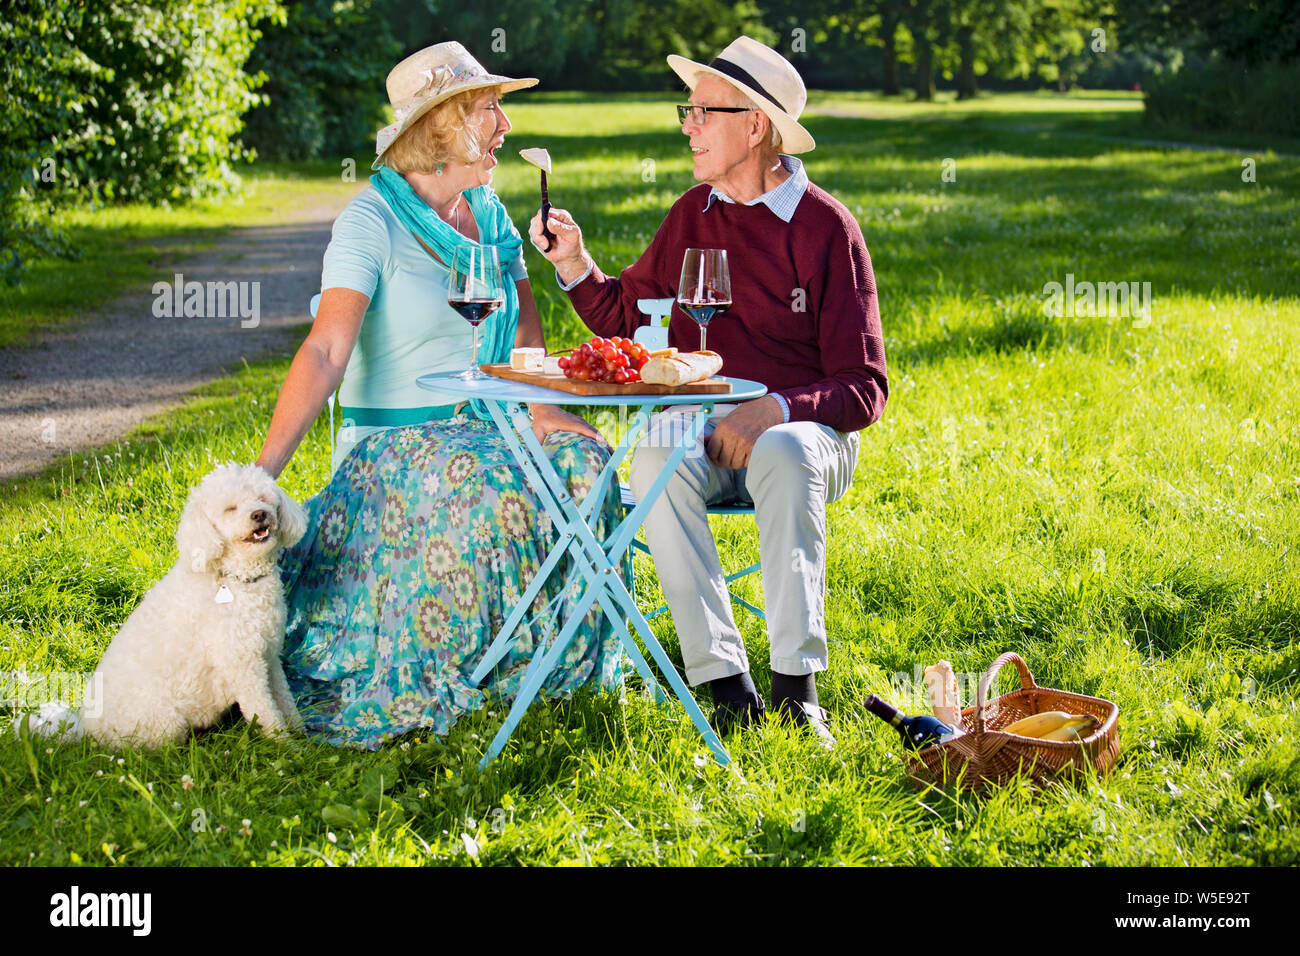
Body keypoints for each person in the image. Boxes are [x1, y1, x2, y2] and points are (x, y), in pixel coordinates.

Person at [253, 41, 624, 750]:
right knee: (492, 483)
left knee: (589, 461)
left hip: (493, 425)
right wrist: (261, 477)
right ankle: (466, 665)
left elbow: (524, 313)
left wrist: (543, 406)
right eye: (491, 111)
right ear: (443, 125)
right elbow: (327, 349)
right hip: (393, 447)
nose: (506, 128)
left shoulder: (487, 211)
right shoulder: (370, 221)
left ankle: (543, 667)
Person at [529, 36, 887, 747]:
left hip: (807, 436)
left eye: (701, 112)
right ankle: (727, 687)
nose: (686, 126)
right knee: (655, 461)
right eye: (685, 112)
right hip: (709, 433)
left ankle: (796, 690)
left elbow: (864, 387)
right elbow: (628, 317)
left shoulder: (826, 229)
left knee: (783, 451)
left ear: (756, 124)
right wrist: (575, 263)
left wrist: (773, 409)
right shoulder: (694, 213)